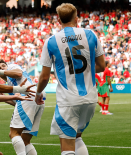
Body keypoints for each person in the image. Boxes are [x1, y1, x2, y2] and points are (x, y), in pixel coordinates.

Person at [34, 3, 105, 155]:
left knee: (67, 145)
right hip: (91, 98)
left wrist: (38, 93)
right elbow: (101, 66)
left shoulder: (51, 41)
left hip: (68, 101)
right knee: (78, 137)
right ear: (77, 18)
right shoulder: (91, 35)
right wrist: (85, 71)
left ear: (58, 20)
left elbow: (45, 76)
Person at [0, 59, 45, 155]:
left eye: (3, 66)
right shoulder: (10, 83)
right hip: (35, 99)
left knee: (13, 134)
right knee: (25, 140)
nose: (2, 68)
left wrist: (1, 71)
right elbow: (18, 103)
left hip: (29, 96)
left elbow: (19, 73)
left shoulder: (12, 66)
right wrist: (4, 98)